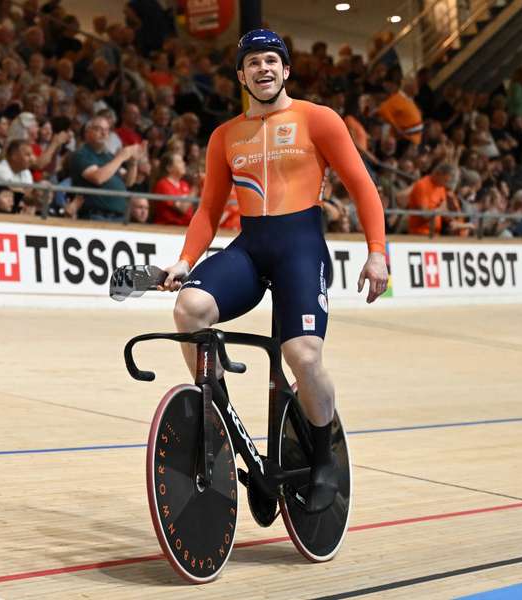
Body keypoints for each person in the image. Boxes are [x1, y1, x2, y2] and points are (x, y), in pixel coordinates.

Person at [158, 29, 387, 514]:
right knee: (190, 308)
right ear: (241, 76)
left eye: (271, 60)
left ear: (286, 70)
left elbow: (364, 189)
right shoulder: (225, 136)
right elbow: (207, 210)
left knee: (302, 355)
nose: (263, 68)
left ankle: (324, 459)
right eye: (253, 62)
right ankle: (218, 422)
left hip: (300, 249)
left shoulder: (318, 119)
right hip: (251, 246)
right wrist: (185, 259)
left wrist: (377, 252)